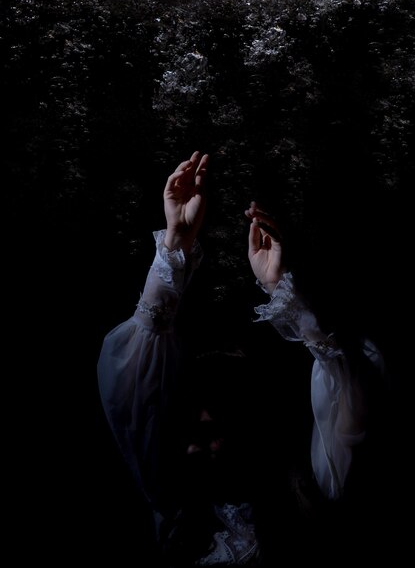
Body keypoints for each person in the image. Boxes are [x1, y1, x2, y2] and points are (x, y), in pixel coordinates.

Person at [97, 151, 384, 565]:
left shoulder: (313, 492)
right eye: (194, 433)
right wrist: (175, 242)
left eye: (219, 426)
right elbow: (127, 389)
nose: (205, 445)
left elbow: (351, 396)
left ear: (254, 427)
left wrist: (283, 292)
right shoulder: (172, 509)